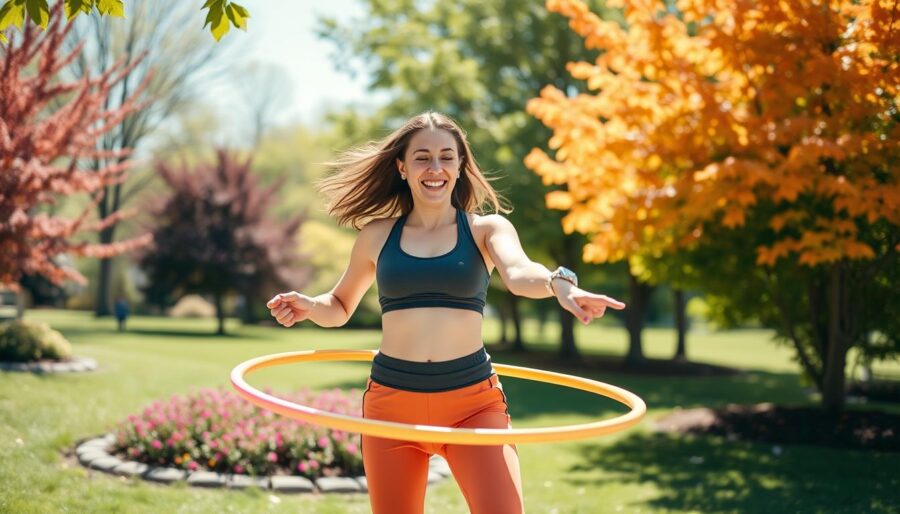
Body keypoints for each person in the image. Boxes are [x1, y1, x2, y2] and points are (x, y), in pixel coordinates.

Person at [266, 111, 626, 514]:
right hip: (391, 406)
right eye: (422, 157)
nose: (434, 168)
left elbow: (520, 272)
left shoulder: (487, 229)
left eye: (445, 157)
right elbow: (340, 306)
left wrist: (559, 283)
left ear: (459, 166)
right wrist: (310, 306)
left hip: (472, 404)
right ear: (402, 167)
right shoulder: (377, 235)